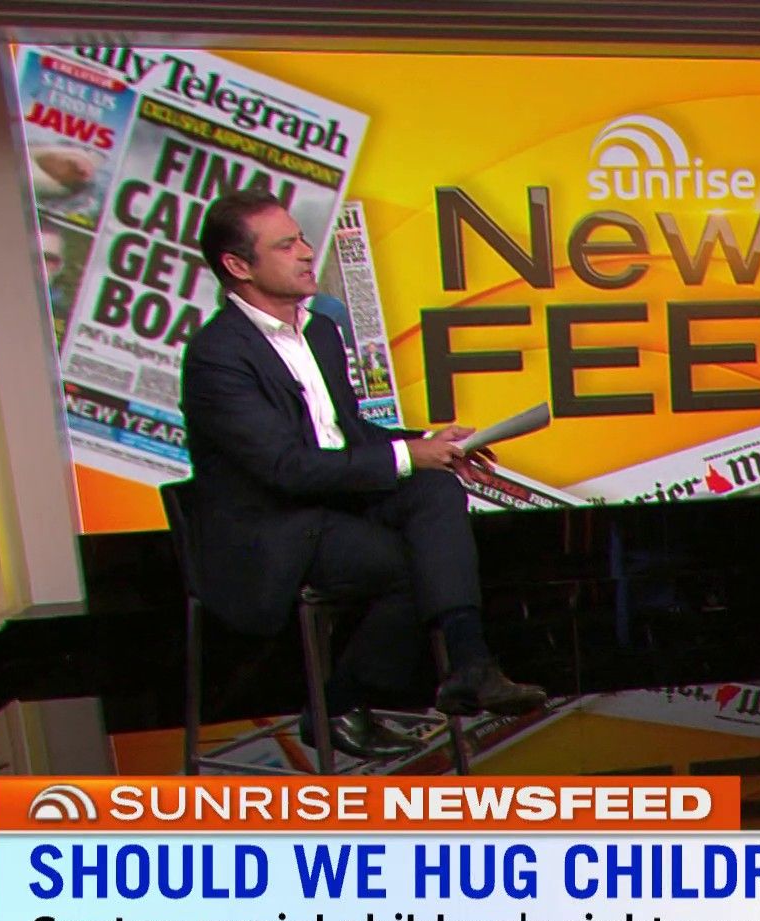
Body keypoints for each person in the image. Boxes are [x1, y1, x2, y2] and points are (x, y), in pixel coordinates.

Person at [181, 189, 546, 759]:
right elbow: (284, 468)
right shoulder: (218, 354)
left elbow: (345, 434)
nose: (307, 252)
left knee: (434, 487)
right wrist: (407, 456)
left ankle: (471, 664)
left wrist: (430, 445)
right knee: (411, 562)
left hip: (333, 504)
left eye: (302, 239)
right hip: (273, 527)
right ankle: (337, 703)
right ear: (238, 266)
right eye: (286, 246)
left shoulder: (320, 332)